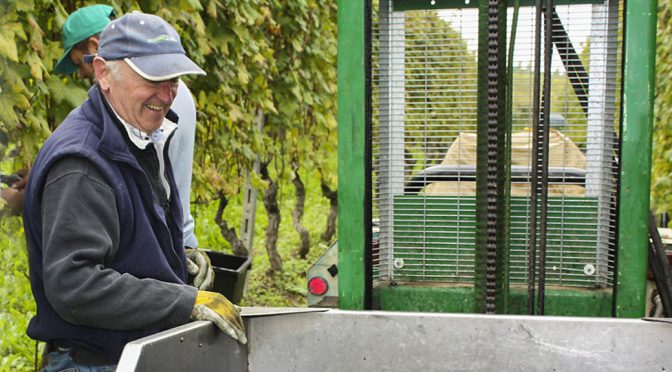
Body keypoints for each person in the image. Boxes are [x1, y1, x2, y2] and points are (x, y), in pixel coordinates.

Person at [23, 12, 246, 371]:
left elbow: (125, 235)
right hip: (95, 363)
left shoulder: (138, 133)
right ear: (103, 73)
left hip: (128, 354)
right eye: (152, 79)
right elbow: (75, 285)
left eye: (172, 79)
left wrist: (175, 257)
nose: (166, 94)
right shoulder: (82, 164)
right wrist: (183, 301)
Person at [55, 4, 200, 249]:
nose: (81, 75)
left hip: (165, 239)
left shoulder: (153, 104)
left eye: (81, 64)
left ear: (94, 49)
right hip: (172, 236)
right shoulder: (168, 94)